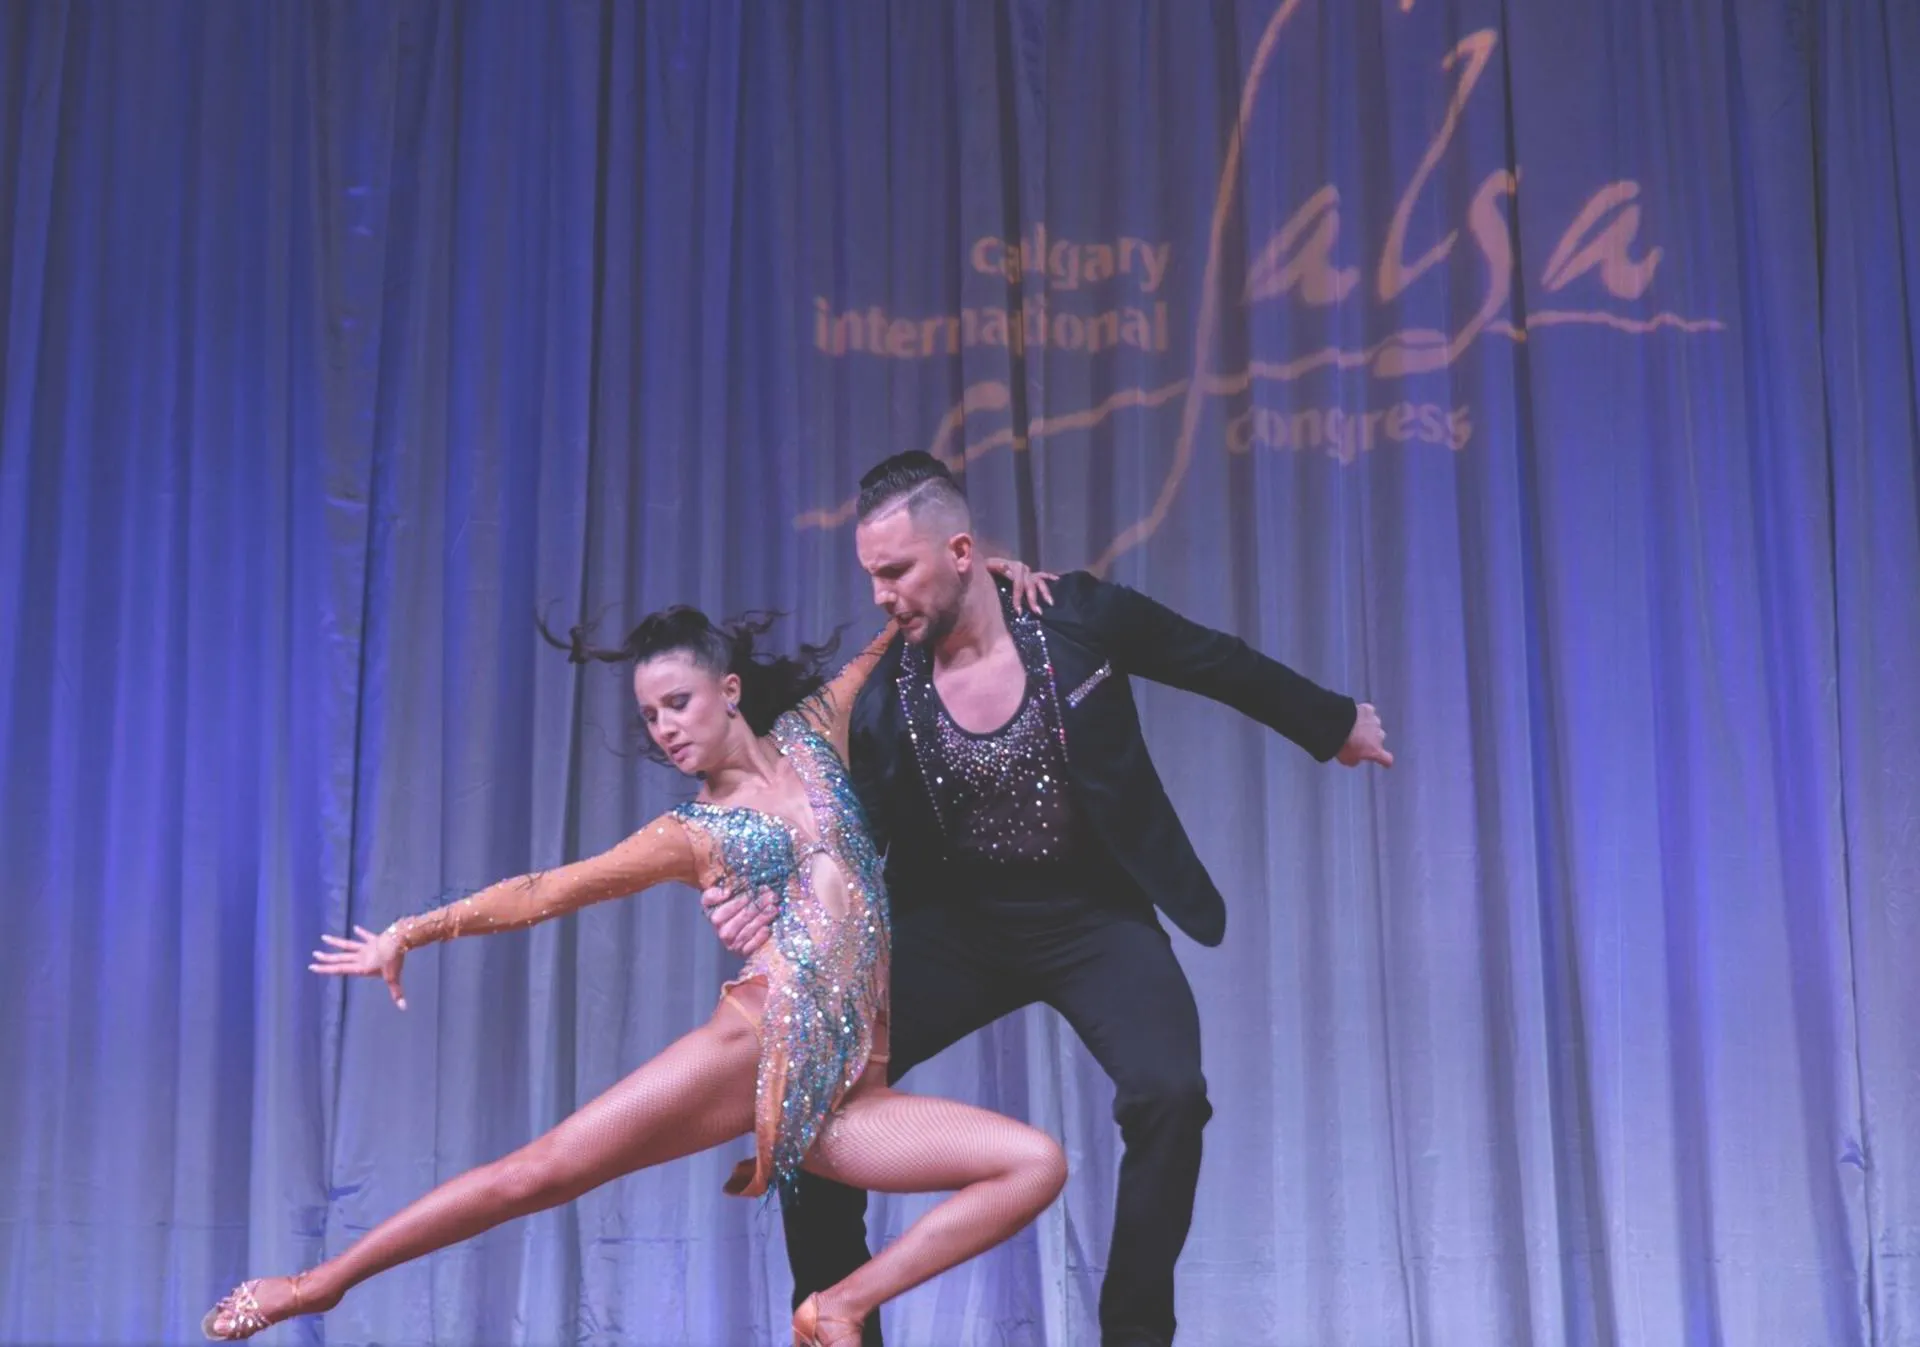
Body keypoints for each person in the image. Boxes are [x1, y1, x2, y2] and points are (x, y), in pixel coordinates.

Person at [201, 574, 1067, 1347]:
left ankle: (835, 1307)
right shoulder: (690, 833)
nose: (663, 729)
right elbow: (543, 890)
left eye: (678, 703)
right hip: (755, 1048)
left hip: (844, 1096)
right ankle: (312, 1284)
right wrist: (411, 931)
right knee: (535, 1174)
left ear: (729, 691)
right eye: (651, 716)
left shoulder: (818, 730)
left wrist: (983, 569)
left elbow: (903, 620)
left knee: (1035, 1163)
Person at [704, 452, 1393, 1347]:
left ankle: (1134, 1333)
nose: (880, 594)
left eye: (897, 570)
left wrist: (1332, 723)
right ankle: (837, 1324)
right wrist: (764, 902)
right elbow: (821, 823)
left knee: (1170, 1094)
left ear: (962, 551)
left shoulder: (1073, 619)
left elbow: (1208, 658)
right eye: (870, 574)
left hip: (1094, 918)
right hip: (954, 926)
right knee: (805, 1084)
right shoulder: (880, 692)